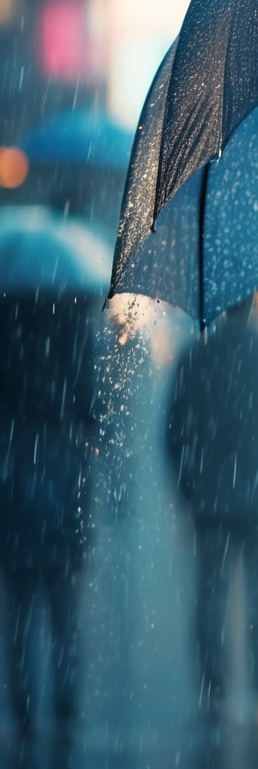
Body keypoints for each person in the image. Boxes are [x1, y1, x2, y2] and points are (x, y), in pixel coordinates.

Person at [165, 296, 258, 709]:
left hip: (210, 498)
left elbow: (173, 430)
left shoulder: (196, 355)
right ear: (256, 307)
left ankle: (213, 683)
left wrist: (186, 488)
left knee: (210, 592)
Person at [0, 293, 94, 734]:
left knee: (20, 607)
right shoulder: (73, 329)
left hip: (15, 474)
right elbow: (91, 407)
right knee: (62, 607)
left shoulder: (7, 329)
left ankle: (21, 703)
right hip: (62, 476)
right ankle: (64, 703)